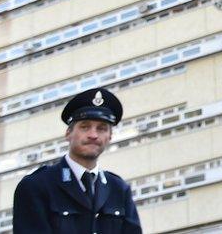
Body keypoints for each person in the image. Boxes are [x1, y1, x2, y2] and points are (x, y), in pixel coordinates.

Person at [13, 87, 141, 233]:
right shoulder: (37, 185)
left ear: (110, 136)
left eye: (101, 128)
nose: (93, 135)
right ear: (68, 133)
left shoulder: (119, 189)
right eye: (85, 127)